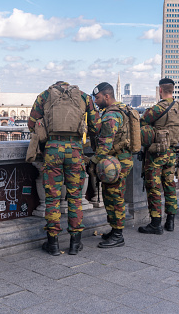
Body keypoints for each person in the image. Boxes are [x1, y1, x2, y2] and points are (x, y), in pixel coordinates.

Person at [28, 81, 100, 256]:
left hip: (52, 150)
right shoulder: (84, 97)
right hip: (75, 150)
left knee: (52, 199)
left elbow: (31, 123)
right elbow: (96, 126)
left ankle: (53, 243)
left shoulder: (45, 96)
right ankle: (75, 243)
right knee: (75, 197)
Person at [138, 78, 179, 234]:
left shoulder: (158, 108)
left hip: (157, 154)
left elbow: (142, 121)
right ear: (172, 90)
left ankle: (156, 223)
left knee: (154, 188)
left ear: (160, 90)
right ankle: (170, 221)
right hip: (172, 153)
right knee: (170, 186)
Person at [90, 82, 133, 248]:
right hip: (124, 159)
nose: (95, 100)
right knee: (116, 196)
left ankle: (118, 235)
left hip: (115, 163)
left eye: (98, 97)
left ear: (106, 96)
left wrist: (93, 161)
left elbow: (105, 145)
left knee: (114, 198)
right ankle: (115, 230)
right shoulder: (123, 109)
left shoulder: (110, 116)